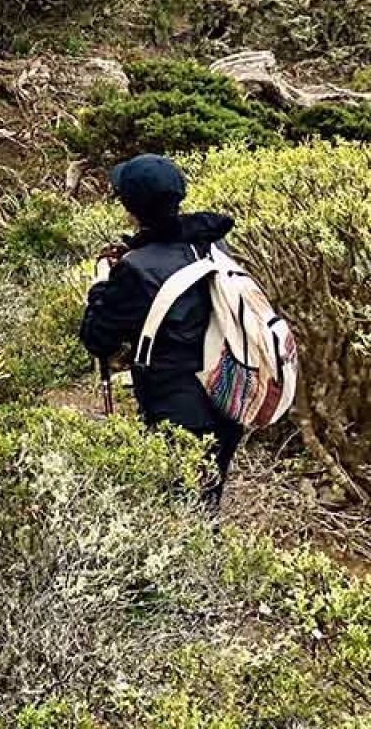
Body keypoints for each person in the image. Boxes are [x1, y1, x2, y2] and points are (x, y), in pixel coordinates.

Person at [80, 153, 244, 506]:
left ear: (130, 208)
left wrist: (101, 286)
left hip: (176, 412)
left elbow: (97, 338)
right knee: (205, 502)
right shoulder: (213, 244)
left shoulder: (136, 270)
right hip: (228, 397)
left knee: (174, 513)